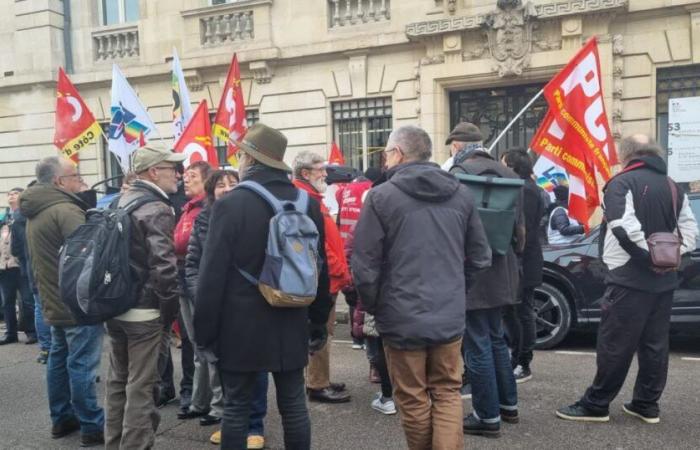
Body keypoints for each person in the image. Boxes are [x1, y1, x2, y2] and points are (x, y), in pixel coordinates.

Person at [352, 125, 492, 450]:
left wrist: (376, 305)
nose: (384, 160)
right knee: (446, 391)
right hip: (448, 314)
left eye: (386, 153)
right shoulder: (461, 193)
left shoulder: (381, 196)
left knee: (413, 397)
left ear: (398, 154)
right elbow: (480, 257)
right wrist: (457, 290)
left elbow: (364, 264)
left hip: (401, 317)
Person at [194, 123, 332, 449]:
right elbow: (319, 269)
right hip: (292, 316)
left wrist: (204, 332)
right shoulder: (306, 202)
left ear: (249, 159)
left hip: (240, 324)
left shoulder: (230, 205)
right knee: (294, 405)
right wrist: (318, 320)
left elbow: (211, 276)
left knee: (237, 408)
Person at [557, 135, 698, 424]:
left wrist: (650, 259)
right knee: (654, 345)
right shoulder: (673, 186)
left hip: (629, 281)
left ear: (626, 155)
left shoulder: (621, 182)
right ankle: (646, 404)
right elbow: (690, 232)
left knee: (614, 344)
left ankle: (596, 404)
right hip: (664, 281)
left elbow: (623, 228)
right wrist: (668, 257)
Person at [104, 145, 184, 449]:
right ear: (153, 172)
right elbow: (164, 266)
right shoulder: (157, 207)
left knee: (117, 382)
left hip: (115, 305)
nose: (177, 174)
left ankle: (114, 444)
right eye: (170, 168)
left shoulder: (119, 200)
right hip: (145, 311)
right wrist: (169, 312)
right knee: (141, 386)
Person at [20, 157, 104, 446]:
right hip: (76, 302)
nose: (79, 179)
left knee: (58, 359)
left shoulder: (36, 209)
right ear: (58, 181)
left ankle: (61, 418)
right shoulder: (65, 210)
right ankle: (92, 423)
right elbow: (89, 256)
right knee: (80, 364)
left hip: (54, 299)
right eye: (74, 175)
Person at [448, 126, 523, 438]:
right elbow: (520, 235)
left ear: (457, 146)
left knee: (477, 343)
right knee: (495, 339)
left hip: (473, 272)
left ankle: (486, 416)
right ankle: (508, 406)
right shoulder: (508, 172)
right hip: (503, 271)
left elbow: (451, 227)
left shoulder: (457, 174)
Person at [292, 151, 352, 404]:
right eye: (320, 169)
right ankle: (317, 384)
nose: (326, 174)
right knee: (321, 333)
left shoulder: (312, 197)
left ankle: (320, 379)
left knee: (323, 332)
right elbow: (317, 246)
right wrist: (338, 268)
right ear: (305, 173)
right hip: (322, 280)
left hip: (327, 277)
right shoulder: (305, 198)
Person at [175, 161, 220, 424]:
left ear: (206, 182)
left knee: (206, 345)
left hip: (198, 283)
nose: (185, 180)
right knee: (196, 347)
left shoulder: (207, 210)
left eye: (192, 176)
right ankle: (200, 400)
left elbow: (184, 244)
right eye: (185, 176)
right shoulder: (187, 208)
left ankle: (216, 405)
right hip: (184, 281)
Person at [500, 149, 545, 382]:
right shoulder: (525, 187)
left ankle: (522, 361)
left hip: (524, 260)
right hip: (523, 259)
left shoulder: (525, 190)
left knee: (522, 312)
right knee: (513, 311)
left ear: (512, 167)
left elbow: (522, 230)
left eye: (503, 162)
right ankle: (515, 356)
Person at [11, 183, 51, 362]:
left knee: (39, 307)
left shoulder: (19, 216)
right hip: (45, 267)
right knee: (42, 308)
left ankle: (45, 349)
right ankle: (49, 348)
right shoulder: (42, 213)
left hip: (31, 266)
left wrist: (25, 260)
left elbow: (16, 248)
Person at [0, 188, 36, 345]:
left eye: (14, 193)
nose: (11, 196)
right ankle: (11, 333)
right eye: (9, 194)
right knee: (7, 302)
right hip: (4, 267)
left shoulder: (25, 216)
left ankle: (31, 332)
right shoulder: (5, 217)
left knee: (28, 301)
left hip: (20, 265)